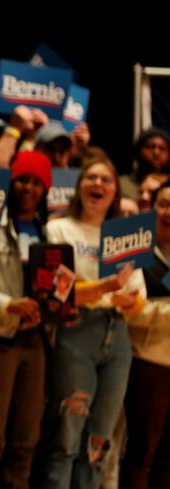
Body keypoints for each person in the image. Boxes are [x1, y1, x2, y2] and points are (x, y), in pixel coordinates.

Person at [37, 154, 145, 489]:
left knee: (98, 442)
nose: (98, 184)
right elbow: (54, 293)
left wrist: (128, 300)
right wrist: (105, 288)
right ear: (79, 186)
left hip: (118, 337)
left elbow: (138, 297)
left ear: (115, 191)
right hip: (75, 333)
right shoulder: (58, 228)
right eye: (91, 178)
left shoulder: (124, 234)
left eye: (106, 180)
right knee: (66, 437)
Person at [0, 151, 52, 489]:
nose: (28, 188)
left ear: (45, 189)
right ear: (11, 182)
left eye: (36, 183)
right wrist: (9, 305)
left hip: (37, 340)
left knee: (27, 437)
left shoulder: (49, 232)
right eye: (22, 180)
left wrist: (62, 308)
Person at [120, 179, 170, 489]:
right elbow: (130, 310)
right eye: (164, 204)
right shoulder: (138, 255)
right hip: (147, 366)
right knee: (141, 455)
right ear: (150, 210)